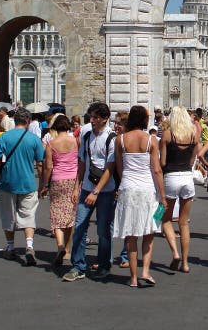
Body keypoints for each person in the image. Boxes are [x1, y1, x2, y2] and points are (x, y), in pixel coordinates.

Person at [112, 106, 166, 287]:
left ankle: (133, 277)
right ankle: (145, 271)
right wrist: (163, 196)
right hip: (147, 189)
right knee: (149, 231)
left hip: (127, 187)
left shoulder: (119, 140)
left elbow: (119, 167)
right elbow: (157, 170)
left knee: (131, 234)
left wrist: (123, 182)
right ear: (143, 120)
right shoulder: (151, 140)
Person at [63, 102, 117, 282]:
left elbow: (110, 168)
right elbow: (82, 163)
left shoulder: (112, 138)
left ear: (104, 119)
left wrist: (96, 191)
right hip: (86, 187)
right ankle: (78, 266)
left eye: (95, 117)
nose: (91, 120)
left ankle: (103, 264)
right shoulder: (86, 137)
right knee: (79, 226)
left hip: (105, 190)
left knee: (103, 230)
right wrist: (77, 185)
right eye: (91, 117)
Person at [0, 107, 45, 266]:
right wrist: (42, 184)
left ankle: (10, 247)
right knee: (28, 215)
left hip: (8, 182)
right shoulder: (34, 139)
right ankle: (29, 246)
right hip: (27, 182)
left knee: (8, 215)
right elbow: (40, 164)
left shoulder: (5, 137)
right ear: (27, 121)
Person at [160, 106, 198, 273]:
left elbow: (162, 162)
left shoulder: (168, 135)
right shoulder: (193, 135)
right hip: (187, 178)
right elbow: (192, 159)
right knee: (184, 222)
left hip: (171, 177)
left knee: (165, 218)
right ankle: (185, 262)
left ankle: (175, 253)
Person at [39, 115, 78, 269]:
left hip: (58, 180)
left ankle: (60, 246)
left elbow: (48, 166)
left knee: (57, 215)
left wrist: (45, 184)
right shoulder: (76, 141)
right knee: (70, 214)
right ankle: (67, 249)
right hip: (73, 180)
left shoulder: (51, 143)